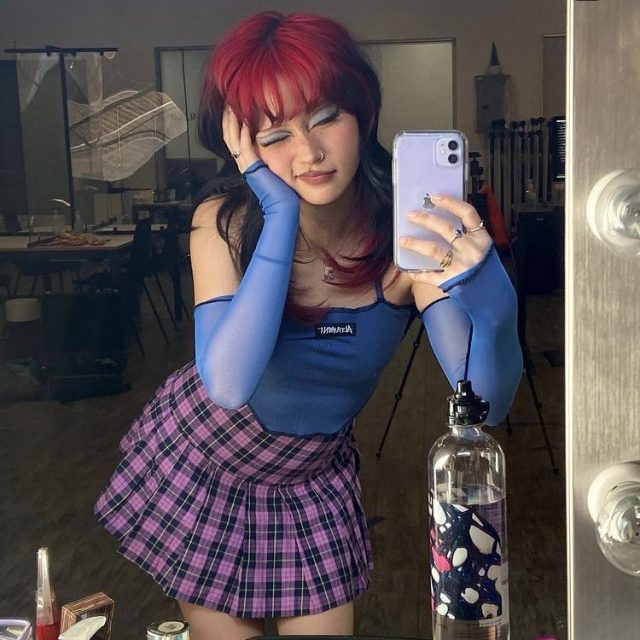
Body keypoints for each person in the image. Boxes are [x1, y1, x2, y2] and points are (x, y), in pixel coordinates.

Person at [95, 11, 522, 640]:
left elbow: (484, 401)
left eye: (325, 117)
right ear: (242, 144)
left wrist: (496, 307)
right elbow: (228, 383)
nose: (309, 153)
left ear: (362, 112)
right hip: (204, 464)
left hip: (310, 480)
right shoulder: (224, 222)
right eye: (276, 135)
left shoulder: (407, 240)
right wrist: (279, 212)